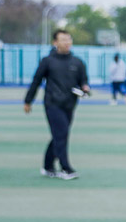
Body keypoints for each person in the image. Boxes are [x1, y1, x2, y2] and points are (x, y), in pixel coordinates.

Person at [23, 29, 90, 179]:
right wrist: (28, 101)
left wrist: (85, 87)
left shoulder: (77, 62)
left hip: (70, 104)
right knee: (61, 134)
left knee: (59, 135)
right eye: (63, 40)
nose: (67, 42)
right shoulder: (48, 61)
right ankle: (66, 168)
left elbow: (83, 80)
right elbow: (36, 81)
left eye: (68, 39)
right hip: (52, 103)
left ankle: (48, 166)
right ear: (55, 42)